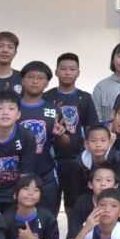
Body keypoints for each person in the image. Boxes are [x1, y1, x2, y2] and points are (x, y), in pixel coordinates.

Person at [44, 53, 99, 219]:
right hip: (51, 161)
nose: (68, 72)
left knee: (73, 205)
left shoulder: (85, 98)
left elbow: (92, 129)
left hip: (77, 160)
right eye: (63, 69)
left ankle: (73, 234)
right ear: (56, 72)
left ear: (78, 72)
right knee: (50, 205)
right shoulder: (47, 97)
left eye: (72, 69)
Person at [17, 61, 61, 215]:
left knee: (47, 217)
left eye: (40, 78)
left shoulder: (54, 111)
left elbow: (65, 144)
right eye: (30, 77)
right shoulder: (12, 107)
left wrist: (61, 134)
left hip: (45, 174)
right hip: (15, 174)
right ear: (22, 80)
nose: (35, 81)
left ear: (47, 82)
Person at [67, 125, 120, 216]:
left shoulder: (116, 158)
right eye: (93, 141)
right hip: (87, 195)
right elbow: (76, 189)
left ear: (110, 143)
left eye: (103, 140)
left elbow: (119, 184)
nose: (98, 145)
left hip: (111, 194)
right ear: (86, 144)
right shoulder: (80, 163)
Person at [68, 164, 120, 239]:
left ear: (115, 186)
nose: (103, 184)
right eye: (98, 180)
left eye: (108, 180)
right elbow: (73, 235)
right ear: (90, 184)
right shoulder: (82, 201)